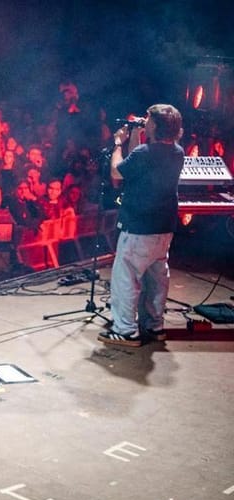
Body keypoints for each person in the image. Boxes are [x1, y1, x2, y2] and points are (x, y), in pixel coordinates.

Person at [98, 104, 184, 346]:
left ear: (155, 125)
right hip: (164, 226)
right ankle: (154, 325)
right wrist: (136, 134)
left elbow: (118, 172)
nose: (144, 122)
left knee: (126, 277)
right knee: (157, 278)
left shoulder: (145, 153)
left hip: (139, 226)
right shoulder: (177, 152)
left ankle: (125, 330)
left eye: (147, 120)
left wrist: (117, 144)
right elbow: (139, 161)